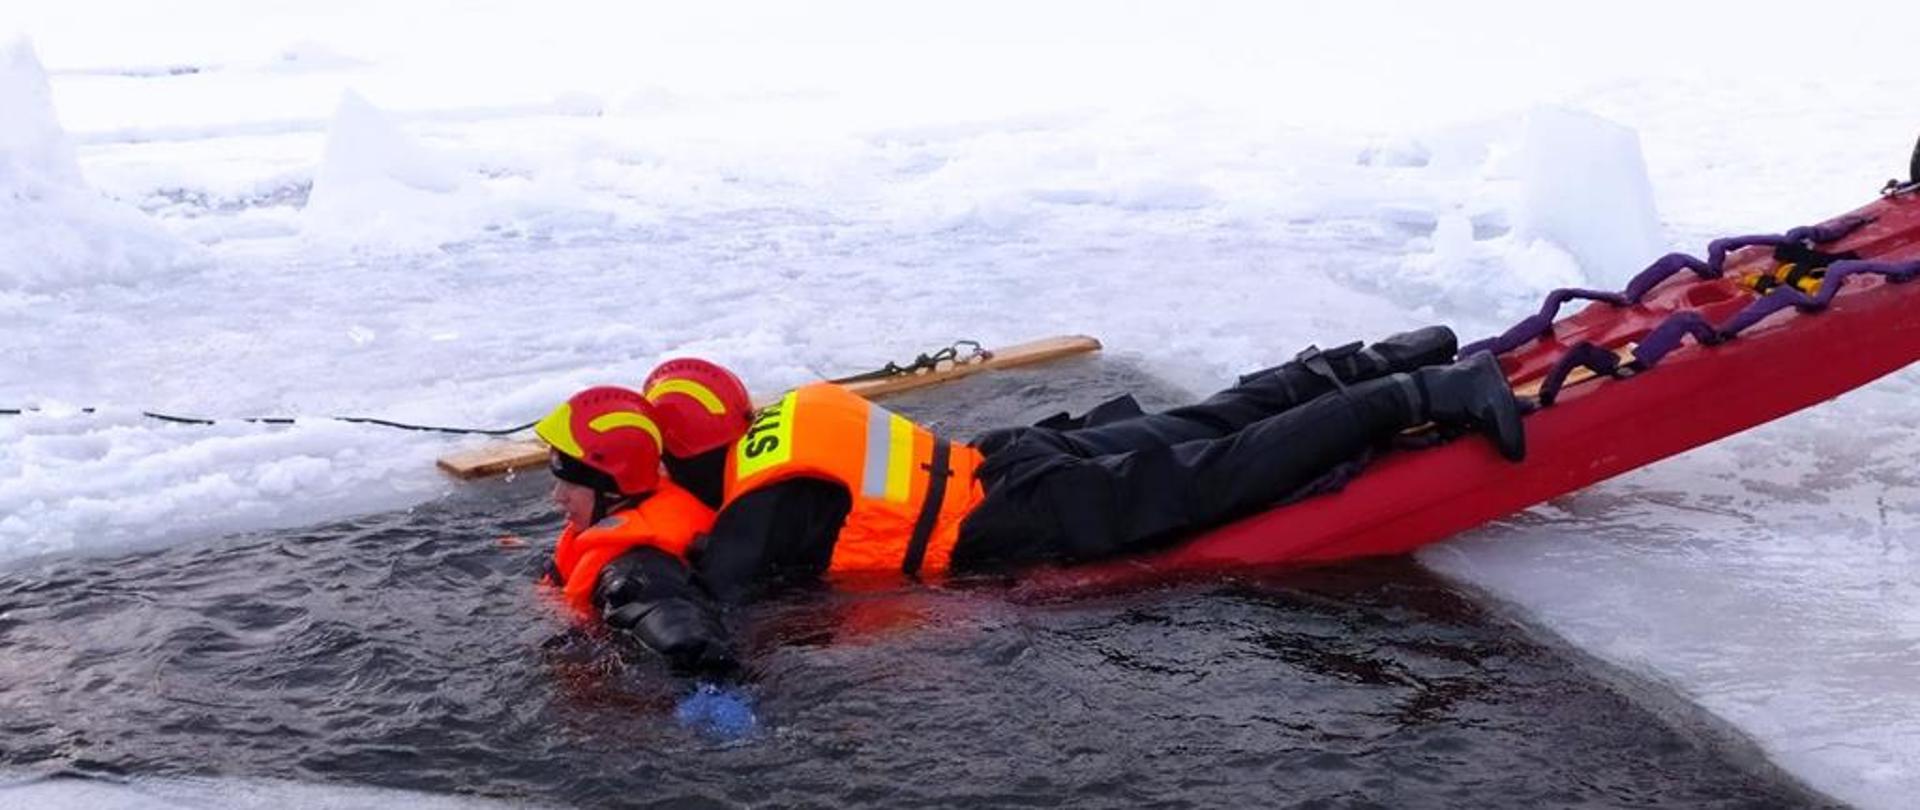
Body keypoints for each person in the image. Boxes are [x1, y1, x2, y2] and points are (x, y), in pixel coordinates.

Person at [541, 326, 1524, 671]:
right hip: (1002, 458)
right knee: (1207, 421)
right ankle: (1380, 359)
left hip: (1007, 521)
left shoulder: (746, 520)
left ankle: (1421, 394)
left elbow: (704, 613)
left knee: (1219, 477)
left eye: (566, 473)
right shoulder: (784, 419)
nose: (554, 487)